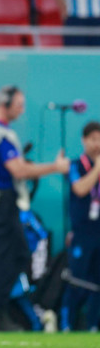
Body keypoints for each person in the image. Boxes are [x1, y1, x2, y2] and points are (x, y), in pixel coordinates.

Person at [0, 86, 69, 330]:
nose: (22, 110)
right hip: (0, 202)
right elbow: (19, 170)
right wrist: (55, 167)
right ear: (5, 103)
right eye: (19, 104)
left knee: (17, 254)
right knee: (1, 258)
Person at [61, 121, 100, 331]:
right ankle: (66, 324)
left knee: (98, 283)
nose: (97, 144)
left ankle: (94, 325)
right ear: (84, 141)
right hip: (82, 233)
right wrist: (97, 169)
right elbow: (81, 189)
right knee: (77, 280)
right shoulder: (75, 165)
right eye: (93, 139)